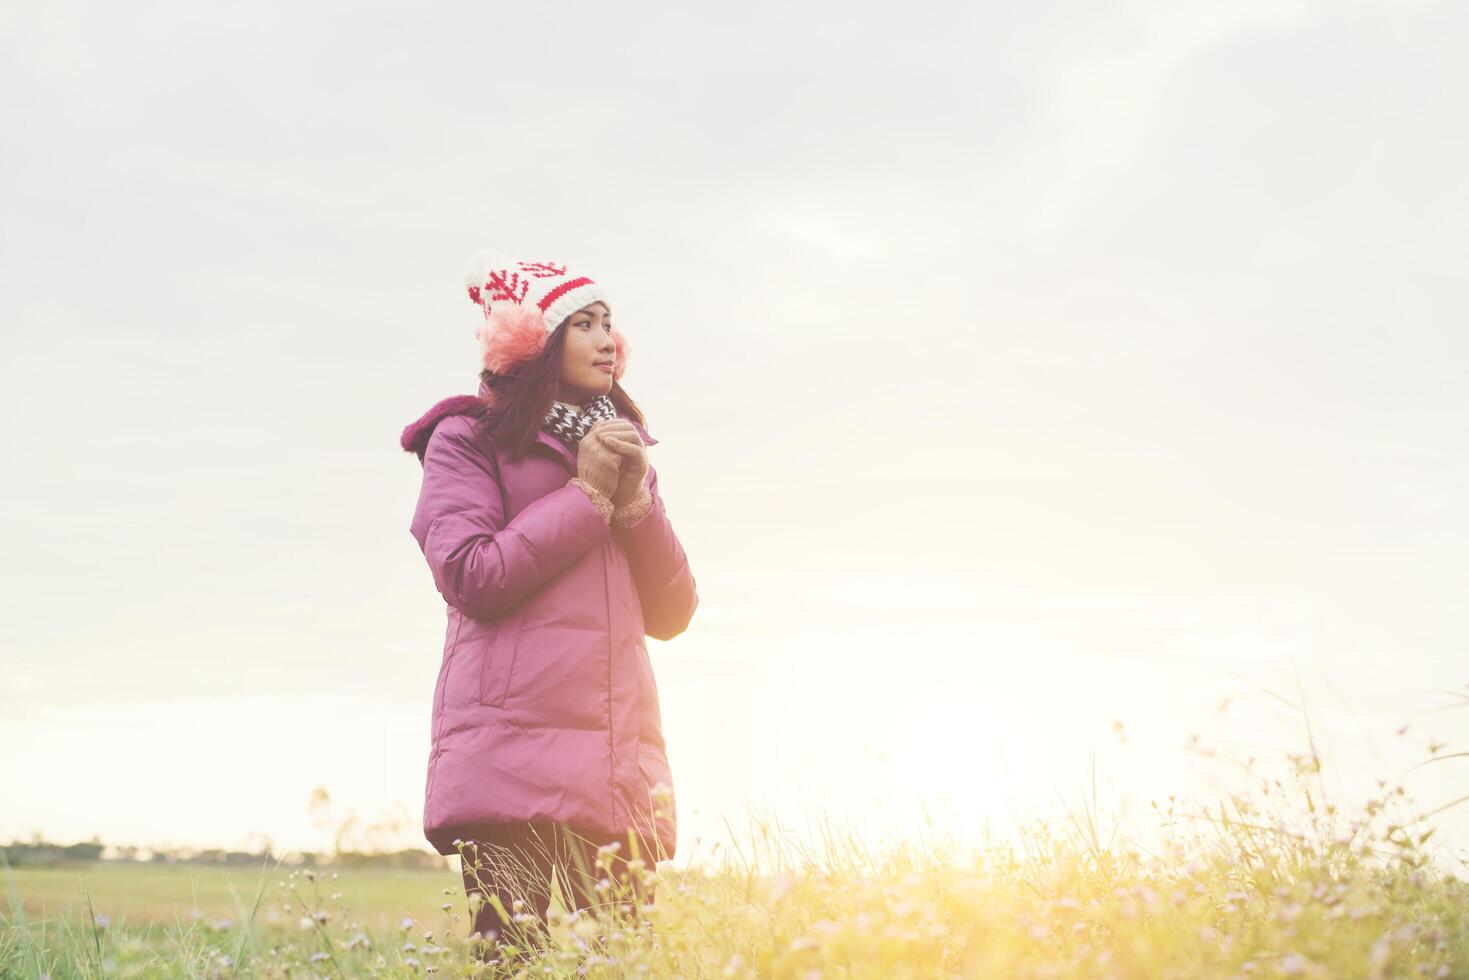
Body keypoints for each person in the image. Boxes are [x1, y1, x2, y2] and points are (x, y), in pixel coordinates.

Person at [399, 249, 698, 962]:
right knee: (513, 966)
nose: (606, 340)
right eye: (583, 324)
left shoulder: (619, 451)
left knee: (624, 967)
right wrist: (583, 499)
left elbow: (673, 613)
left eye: (608, 324)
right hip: (510, 770)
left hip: (615, 770)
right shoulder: (465, 440)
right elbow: (472, 575)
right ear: (535, 343)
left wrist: (631, 504)